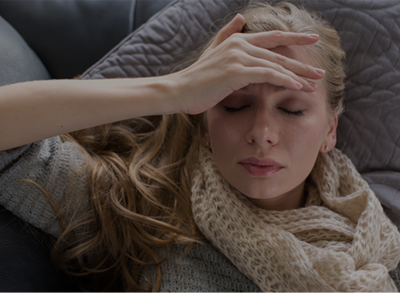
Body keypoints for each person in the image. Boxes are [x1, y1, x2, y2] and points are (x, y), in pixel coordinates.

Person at [0, 1, 399, 294]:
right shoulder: (139, 205)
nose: (262, 132)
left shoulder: (377, 248)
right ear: (205, 122)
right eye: (235, 104)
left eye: (292, 110)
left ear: (330, 130)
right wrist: (176, 89)